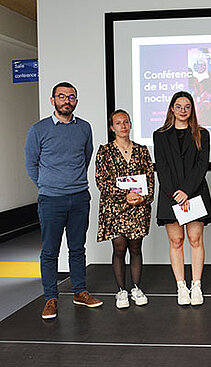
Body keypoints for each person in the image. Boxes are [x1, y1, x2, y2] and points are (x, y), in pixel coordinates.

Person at [25, 81, 103, 319]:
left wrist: (72, 182)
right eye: (62, 96)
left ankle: (80, 292)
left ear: (76, 102)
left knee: (77, 248)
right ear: (53, 101)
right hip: (51, 200)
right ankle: (50, 298)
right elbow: (31, 164)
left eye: (71, 97)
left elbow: (86, 156)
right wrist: (49, 185)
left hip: (80, 197)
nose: (66, 100)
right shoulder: (38, 130)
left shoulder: (84, 128)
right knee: (50, 251)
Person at [153, 91, 211, 306]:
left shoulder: (202, 134)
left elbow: (201, 166)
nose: (183, 110)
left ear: (192, 110)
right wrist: (175, 194)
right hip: (170, 195)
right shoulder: (159, 135)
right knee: (176, 241)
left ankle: (196, 285)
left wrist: (187, 192)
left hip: (195, 193)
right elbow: (162, 167)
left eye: (187, 106)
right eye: (178, 106)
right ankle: (181, 286)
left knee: (195, 240)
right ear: (171, 108)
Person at [95, 109, 155, 309]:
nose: (123, 126)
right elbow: (101, 181)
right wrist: (124, 196)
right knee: (119, 248)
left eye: (126, 122)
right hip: (115, 208)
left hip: (138, 207)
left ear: (130, 125)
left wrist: (142, 197)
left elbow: (150, 178)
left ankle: (136, 288)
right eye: (118, 123)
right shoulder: (104, 151)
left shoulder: (142, 150)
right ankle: (121, 291)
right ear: (112, 128)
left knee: (136, 248)